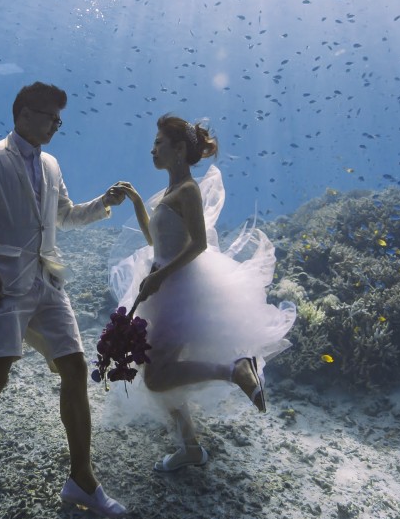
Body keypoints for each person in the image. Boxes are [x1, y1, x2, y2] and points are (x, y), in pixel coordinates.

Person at [0, 81, 135, 519]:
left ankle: (81, 480)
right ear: (23, 114)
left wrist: (104, 201)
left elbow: (65, 215)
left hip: (47, 282)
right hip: (2, 282)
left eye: (59, 119)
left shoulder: (50, 164)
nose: (56, 125)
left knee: (74, 368)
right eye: (50, 116)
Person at [108, 115, 296, 472]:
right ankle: (189, 446)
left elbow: (197, 245)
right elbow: (157, 242)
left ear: (179, 150)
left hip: (180, 291)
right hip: (162, 288)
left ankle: (234, 369)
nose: (153, 149)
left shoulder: (189, 190)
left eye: (160, 142)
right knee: (156, 369)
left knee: (156, 376)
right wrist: (135, 202)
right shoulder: (170, 192)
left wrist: (160, 277)